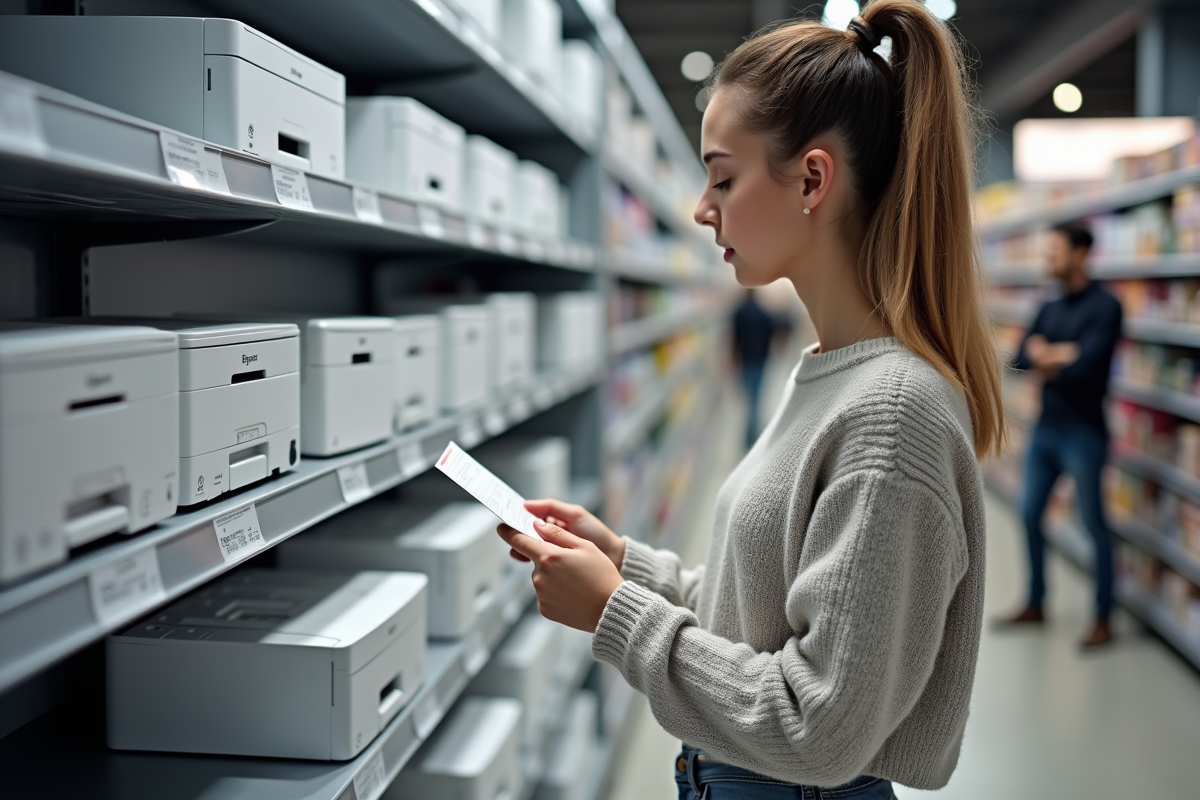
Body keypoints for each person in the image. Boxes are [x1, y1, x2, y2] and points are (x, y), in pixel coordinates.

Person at [495, 2, 1004, 796]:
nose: (703, 209)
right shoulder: (834, 372)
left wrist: (613, 616)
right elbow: (758, 614)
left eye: (723, 177)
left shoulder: (891, 414)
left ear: (811, 178)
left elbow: (819, 727)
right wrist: (624, 566)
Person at [997, 222, 1123, 648]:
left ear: (1081, 254)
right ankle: (1036, 601)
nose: (1048, 259)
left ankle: (1103, 616)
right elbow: (1019, 356)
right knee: (1030, 514)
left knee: (1094, 527)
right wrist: (1062, 355)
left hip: (1084, 434)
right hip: (1046, 431)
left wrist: (1048, 355)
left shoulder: (1107, 307)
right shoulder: (1048, 307)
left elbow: (1089, 367)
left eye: (1055, 252)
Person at [732, 289, 791, 449]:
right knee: (756, 399)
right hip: (760, 360)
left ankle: (750, 437)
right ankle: (751, 436)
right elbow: (774, 335)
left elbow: (734, 339)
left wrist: (732, 360)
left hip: (745, 359)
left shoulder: (739, 312)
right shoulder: (763, 313)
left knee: (750, 398)